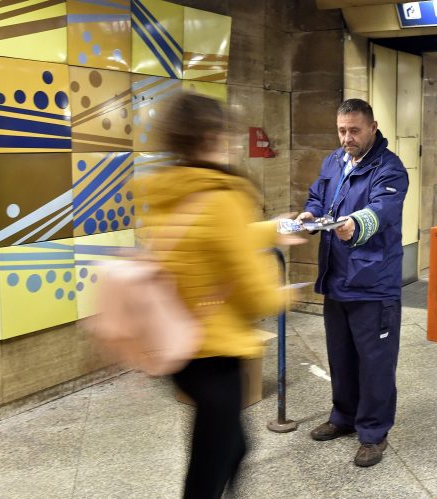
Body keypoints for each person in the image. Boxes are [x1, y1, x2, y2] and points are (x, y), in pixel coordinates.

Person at [133, 91, 295, 498]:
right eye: (227, 134)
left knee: (235, 445)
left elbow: (207, 241)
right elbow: (257, 295)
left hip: (179, 345)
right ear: (210, 137)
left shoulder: (170, 190)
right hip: (215, 352)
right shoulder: (223, 197)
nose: (234, 143)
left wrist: (273, 229)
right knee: (208, 471)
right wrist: (286, 294)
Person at [297, 98, 409, 467]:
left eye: (355, 130)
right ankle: (343, 417)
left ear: (373, 127)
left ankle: (374, 433)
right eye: (342, 130)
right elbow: (319, 193)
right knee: (341, 356)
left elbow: (381, 210)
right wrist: (310, 213)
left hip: (374, 284)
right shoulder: (334, 160)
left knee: (375, 362)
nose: (347, 137)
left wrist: (356, 225)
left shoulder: (390, 170)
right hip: (337, 278)